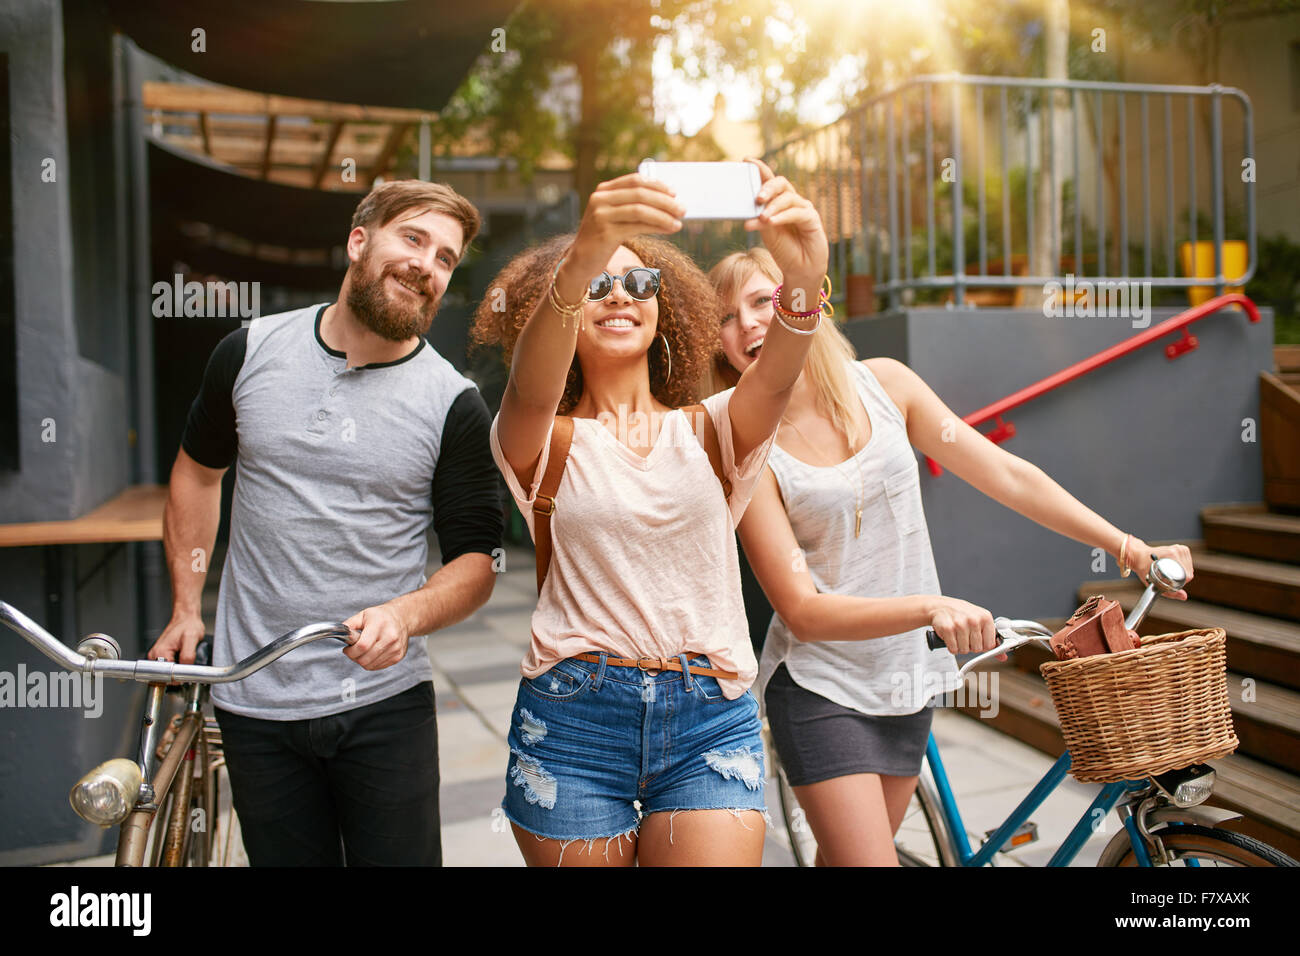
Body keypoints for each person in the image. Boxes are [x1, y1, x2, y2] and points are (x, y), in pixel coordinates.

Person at [707, 246, 1196, 866]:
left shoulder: (885, 386)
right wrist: (930, 608)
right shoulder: (745, 445)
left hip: (909, 681)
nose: (747, 324)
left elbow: (1006, 474)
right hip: (821, 688)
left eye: (761, 301)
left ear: (807, 302)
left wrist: (1126, 547)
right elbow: (801, 611)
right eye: (726, 317)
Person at [471, 160, 828, 865]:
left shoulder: (715, 428)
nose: (619, 294)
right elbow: (531, 391)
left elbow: (781, 369)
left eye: (638, 281)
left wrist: (808, 274)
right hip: (572, 721)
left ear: (664, 307)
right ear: (566, 310)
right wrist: (580, 260)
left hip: (709, 722)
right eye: (599, 283)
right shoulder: (544, 437)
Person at [149, 180, 504, 866]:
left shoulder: (454, 403)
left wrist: (405, 615)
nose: (427, 264)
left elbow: (478, 562)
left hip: (383, 704)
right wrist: (187, 606)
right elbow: (197, 472)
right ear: (358, 240)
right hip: (253, 695)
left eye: (446, 258)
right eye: (413, 238)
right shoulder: (249, 351)